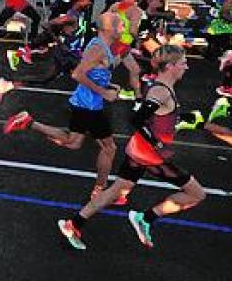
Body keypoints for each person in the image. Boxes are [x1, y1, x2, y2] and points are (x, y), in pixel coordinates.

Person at [57, 45, 206, 250]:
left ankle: (73, 223)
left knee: (116, 191)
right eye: (183, 63)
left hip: (139, 150)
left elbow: (158, 118)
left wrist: (183, 118)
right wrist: (157, 143)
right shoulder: (161, 91)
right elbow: (137, 119)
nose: (186, 67)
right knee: (196, 194)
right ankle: (146, 218)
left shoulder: (162, 87)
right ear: (171, 66)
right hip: (150, 155)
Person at [4, 12, 140, 201]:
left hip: (86, 103)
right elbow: (78, 74)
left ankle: (28, 121)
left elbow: (98, 71)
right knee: (109, 148)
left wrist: (111, 83)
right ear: (108, 29)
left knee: (73, 142)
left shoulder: (103, 47)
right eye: (119, 25)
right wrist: (104, 92)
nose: (123, 28)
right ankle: (100, 191)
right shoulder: (97, 49)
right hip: (89, 106)